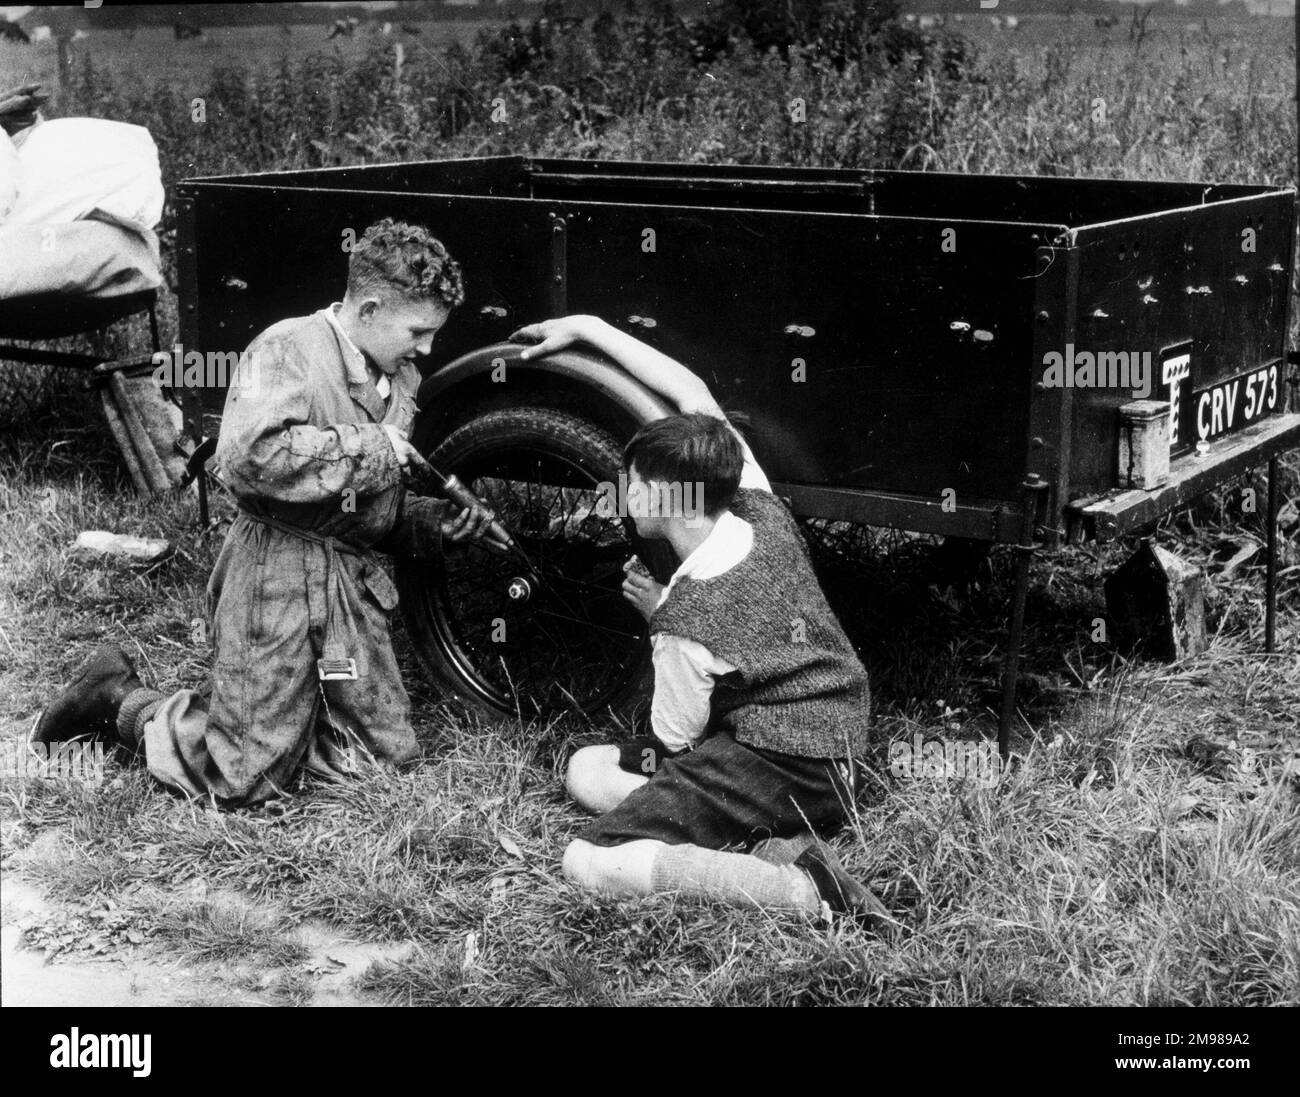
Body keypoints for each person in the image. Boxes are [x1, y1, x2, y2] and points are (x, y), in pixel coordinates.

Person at [33, 219, 500, 807]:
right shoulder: (286, 350)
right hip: (273, 581)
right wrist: (373, 448)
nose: (427, 348)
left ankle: (286, 722)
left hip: (347, 590)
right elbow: (247, 458)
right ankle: (119, 702)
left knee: (380, 762)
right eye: (418, 331)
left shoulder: (399, 375)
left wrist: (431, 524)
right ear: (372, 307)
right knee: (244, 778)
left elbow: (358, 503)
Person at [510, 315, 894, 928]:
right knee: (587, 768)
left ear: (666, 497)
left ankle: (798, 889)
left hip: (783, 763)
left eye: (631, 486)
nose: (621, 493)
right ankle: (761, 832)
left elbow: (678, 740)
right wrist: (589, 328)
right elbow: (693, 393)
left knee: (588, 858)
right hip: (838, 738)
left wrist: (661, 611)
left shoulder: (684, 621)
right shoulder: (753, 502)